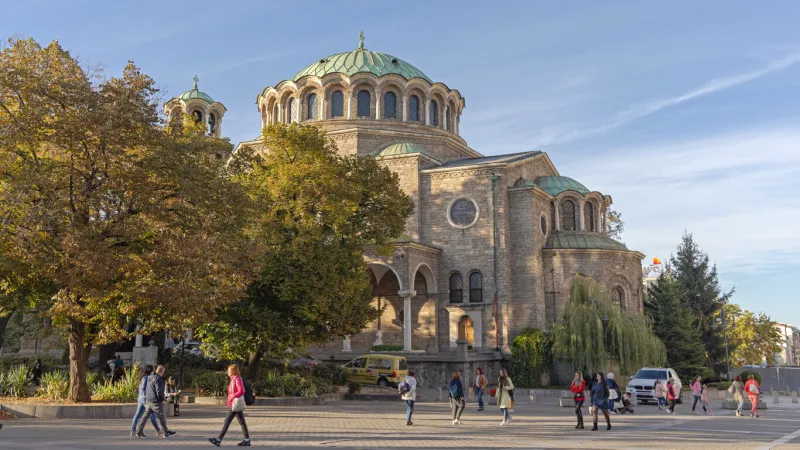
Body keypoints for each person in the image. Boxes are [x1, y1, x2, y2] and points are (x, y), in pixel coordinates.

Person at [209, 364, 250, 447]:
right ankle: (247, 440)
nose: (227, 372)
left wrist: (232, 396)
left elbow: (242, 390)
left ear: (233, 371)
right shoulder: (233, 379)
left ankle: (218, 440)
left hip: (235, 403)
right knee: (242, 422)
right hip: (234, 403)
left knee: (227, 421)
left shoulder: (237, 379)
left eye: (229, 370)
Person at [135, 365, 176, 438]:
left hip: (149, 400)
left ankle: (139, 431)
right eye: (163, 372)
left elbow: (147, 388)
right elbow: (159, 391)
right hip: (156, 401)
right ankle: (166, 432)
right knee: (161, 416)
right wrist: (162, 399)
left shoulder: (150, 377)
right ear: (162, 371)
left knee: (145, 416)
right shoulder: (158, 379)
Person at [131, 365, 161, 437]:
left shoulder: (143, 377)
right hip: (145, 398)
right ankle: (158, 431)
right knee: (151, 414)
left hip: (140, 397)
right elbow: (144, 388)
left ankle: (133, 431)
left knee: (138, 414)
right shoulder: (147, 378)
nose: (154, 371)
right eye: (153, 370)